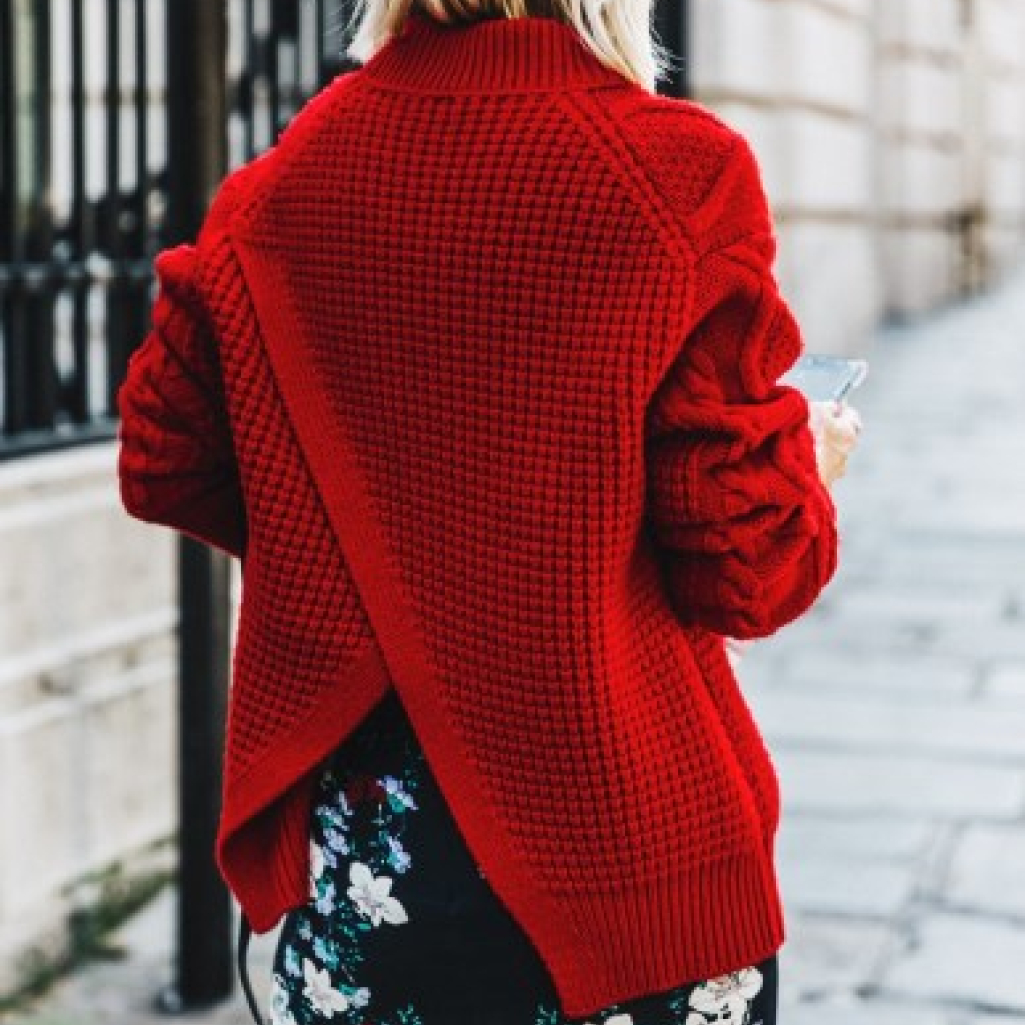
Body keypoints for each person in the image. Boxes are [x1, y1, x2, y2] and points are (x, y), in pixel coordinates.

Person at [114, 0, 862, 1021]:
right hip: (631, 862)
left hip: (374, 867)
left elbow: (165, 458)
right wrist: (803, 461)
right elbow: (742, 568)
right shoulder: (675, 173)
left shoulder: (278, 185)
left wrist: (370, 532)